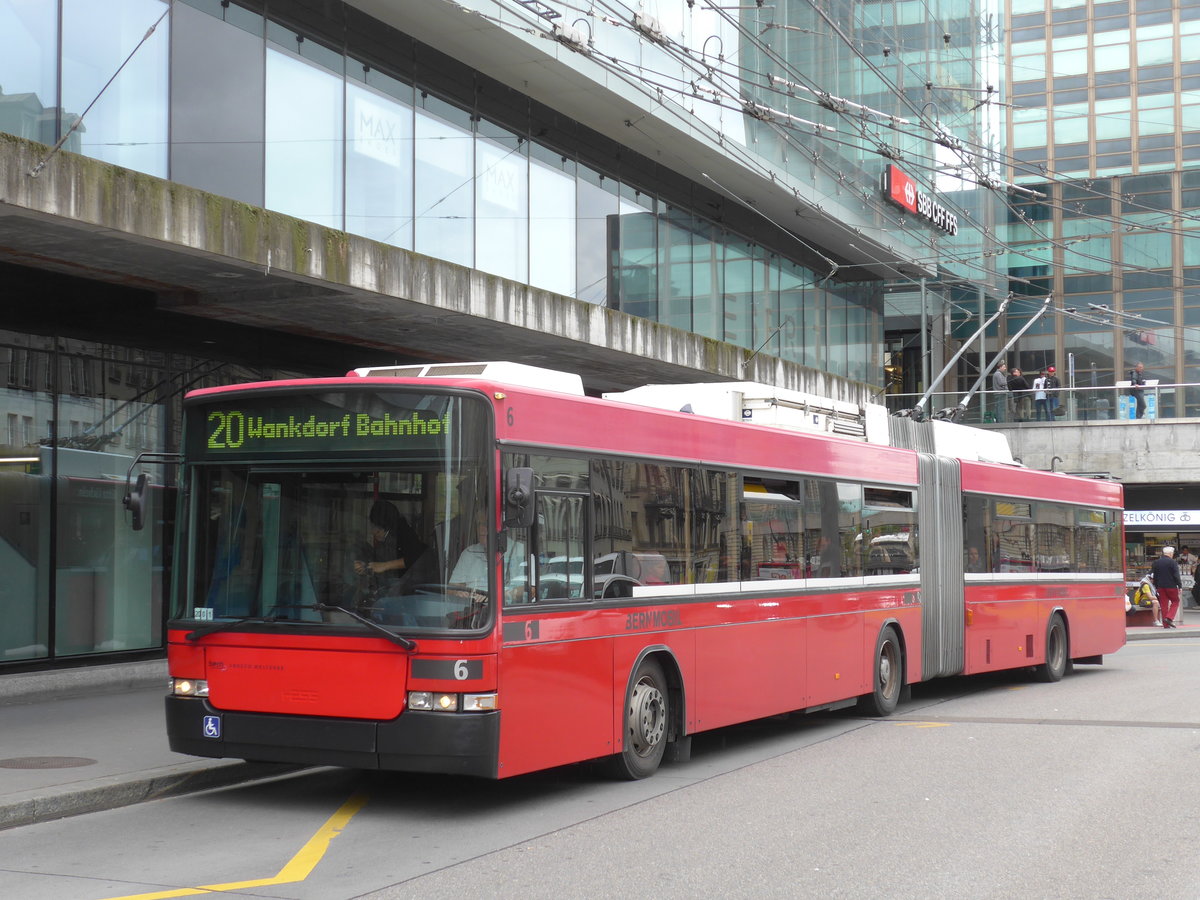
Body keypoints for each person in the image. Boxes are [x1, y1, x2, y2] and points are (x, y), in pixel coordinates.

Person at [354, 499, 428, 600]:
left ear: (384, 524)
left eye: (376, 527)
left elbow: (413, 558)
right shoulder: (392, 535)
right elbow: (382, 559)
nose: (373, 532)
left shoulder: (403, 532)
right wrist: (367, 566)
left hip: (412, 591)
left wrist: (384, 566)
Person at [1150, 545, 1183, 628]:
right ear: (1171, 553)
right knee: (1175, 601)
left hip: (1160, 587)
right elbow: (1176, 575)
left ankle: (1165, 625)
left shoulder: (1156, 562)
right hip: (1171, 586)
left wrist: (1156, 586)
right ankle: (1169, 617)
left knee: (1163, 605)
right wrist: (1180, 586)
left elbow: (1155, 576)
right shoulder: (1173, 562)